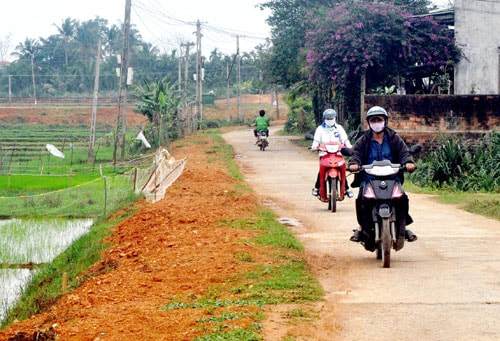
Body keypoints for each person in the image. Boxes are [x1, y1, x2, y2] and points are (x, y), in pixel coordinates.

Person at [347, 105, 417, 251]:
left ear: (385, 121)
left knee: (402, 199)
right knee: (362, 200)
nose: (377, 123)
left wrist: (408, 162)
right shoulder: (363, 140)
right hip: (369, 179)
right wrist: (354, 164)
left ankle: (403, 228)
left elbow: (404, 153)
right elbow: (356, 155)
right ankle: (362, 229)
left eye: (379, 119)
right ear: (369, 123)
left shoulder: (394, 139)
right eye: (373, 120)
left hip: (392, 178)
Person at [310, 108, 353, 198]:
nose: (330, 120)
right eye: (328, 118)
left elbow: (345, 139)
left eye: (331, 118)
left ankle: (347, 188)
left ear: (335, 118)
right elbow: (316, 140)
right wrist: (314, 146)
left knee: (342, 170)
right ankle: (317, 188)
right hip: (324, 154)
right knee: (321, 170)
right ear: (324, 119)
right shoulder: (320, 129)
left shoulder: (339, 128)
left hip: (338, 154)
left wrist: (349, 146)